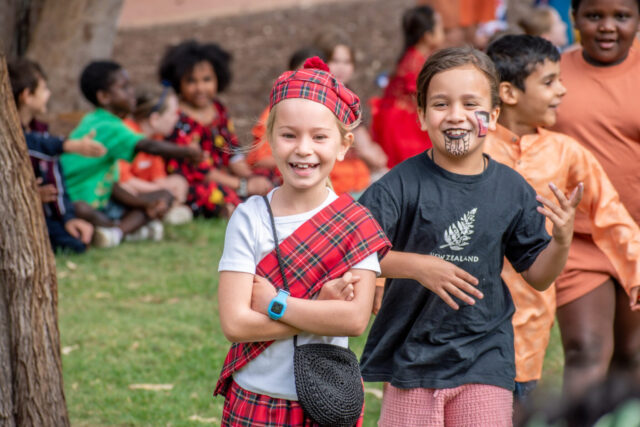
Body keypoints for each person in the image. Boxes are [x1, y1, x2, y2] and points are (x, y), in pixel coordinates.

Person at [358, 46, 582, 426]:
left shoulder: (512, 189)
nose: (455, 115)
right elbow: (353, 251)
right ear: (422, 116)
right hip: (411, 361)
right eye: (441, 104)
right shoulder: (398, 185)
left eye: (470, 104)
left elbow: (539, 276)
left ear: (492, 116)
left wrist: (561, 241)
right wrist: (418, 267)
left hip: (485, 357)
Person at [214, 57, 391, 426]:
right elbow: (235, 324)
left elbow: (353, 320)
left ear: (343, 145)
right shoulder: (249, 218)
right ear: (269, 140)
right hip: (255, 398)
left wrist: (275, 304)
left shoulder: (357, 223)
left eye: (319, 137)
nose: (303, 149)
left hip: (328, 400)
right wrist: (319, 311)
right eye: (289, 135)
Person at [484, 34, 640, 402]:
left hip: (529, 326)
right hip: (467, 320)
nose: (563, 90)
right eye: (550, 82)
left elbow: (609, 213)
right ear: (508, 93)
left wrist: (636, 268)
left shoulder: (565, 152)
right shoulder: (473, 147)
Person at [550, 0, 640, 397]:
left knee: (632, 354)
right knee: (585, 349)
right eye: (593, 16)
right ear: (574, 18)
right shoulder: (552, 73)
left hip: (635, 238)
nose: (607, 27)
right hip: (577, 239)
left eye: (621, 16)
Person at [60, 60, 201, 248]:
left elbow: (113, 185)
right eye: (124, 88)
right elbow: (149, 146)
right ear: (104, 97)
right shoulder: (107, 125)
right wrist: (188, 152)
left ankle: (116, 233)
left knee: (162, 197)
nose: (131, 92)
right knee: (81, 209)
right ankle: (121, 231)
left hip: (104, 201)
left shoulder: (96, 120)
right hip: (79, 204)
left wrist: (142, 204)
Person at [159, 40, 273, 218]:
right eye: (191, 81)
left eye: (207, 80)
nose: (200, 88)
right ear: (178, 82)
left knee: (269, 176)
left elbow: (232, 150)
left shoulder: (218, 109)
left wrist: (249, 176)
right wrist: (243, 185)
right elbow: (199, 171)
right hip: (196, 181)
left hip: (226, 175)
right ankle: (231, 208)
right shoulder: (177, 118)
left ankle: (253, 201)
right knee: (212, 191)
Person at [9, 58, 104, 253]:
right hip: (11, 217)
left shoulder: (40, 131)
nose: (49, 94)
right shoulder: (11, 136)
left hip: (42, 215)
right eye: (44, 89)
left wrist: (68, 218)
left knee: (75, 242)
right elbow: (26, 143)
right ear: (27, 95)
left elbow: (56, 178)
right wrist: (68, 145)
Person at [314, 28, 389, 193]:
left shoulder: (348, 95)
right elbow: (366, 150)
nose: (341, 68)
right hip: (335, 178)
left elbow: (365, 143)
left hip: (354, 172)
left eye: (347, 62)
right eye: (335, 61)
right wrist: (372, 154)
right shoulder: (321, 97)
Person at [371, 5, 444, 168]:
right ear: (427, 36)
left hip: (402, 120)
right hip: (403, 126)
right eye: (440, 28)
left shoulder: (416, 57)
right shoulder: (415, 62)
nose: (443, 32)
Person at [247, 46, 326, 176]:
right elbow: (260, 159)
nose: (309, 81)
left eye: (316, 76)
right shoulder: (276, 111)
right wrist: (298, 159)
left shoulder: (331, 112)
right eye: (302, 74)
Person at [120, 85, 193, 225]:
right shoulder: (127, 132)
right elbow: (124, 181)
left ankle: (162, 212)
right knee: (126, 190)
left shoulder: (156, 138)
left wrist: (167, 189)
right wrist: (162, 191)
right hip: (125, 192)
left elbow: (158, 177)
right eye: (173, 113)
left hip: (145, 189)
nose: (177, 118)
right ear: (155, 119)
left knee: (179, 182)